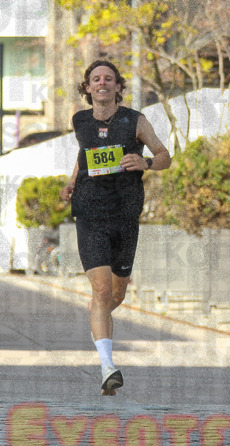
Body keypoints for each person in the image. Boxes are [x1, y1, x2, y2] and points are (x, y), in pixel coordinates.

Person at [60, 60, 171, 396]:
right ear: (88, 87)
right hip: (89, 213)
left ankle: (99, 323)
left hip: (124, 214)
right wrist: (70, 183)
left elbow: (165, 155)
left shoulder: (134, 120)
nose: (102, 83)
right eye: (96, 79)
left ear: (118, 86)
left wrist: (146, 162)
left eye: (108, 78)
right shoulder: (79, 120)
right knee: (102, 291)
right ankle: (107, 365)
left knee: (117, 293)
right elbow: (85, 154)